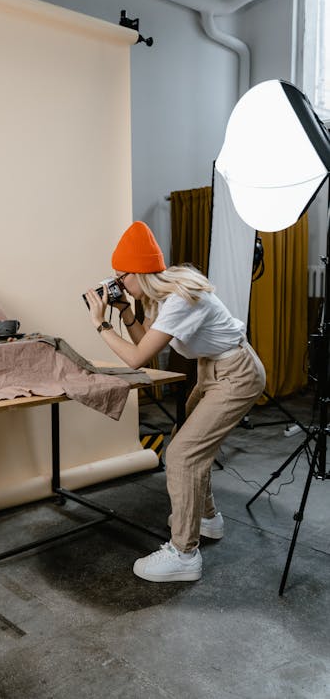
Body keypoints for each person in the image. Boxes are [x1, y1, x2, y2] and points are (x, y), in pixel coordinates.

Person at [84, 221, 266, 583]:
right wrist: (124, 312)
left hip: (236, 375)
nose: (119, 285)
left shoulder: (181, 298)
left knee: (182, 454)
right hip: (213, 370)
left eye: (121, 278)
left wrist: (99, 324)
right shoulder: (164, 295)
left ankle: (184, 554)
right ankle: (207, 518)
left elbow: (136, 359)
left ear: (138, 272)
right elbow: (148, 345)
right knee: (189, 443)